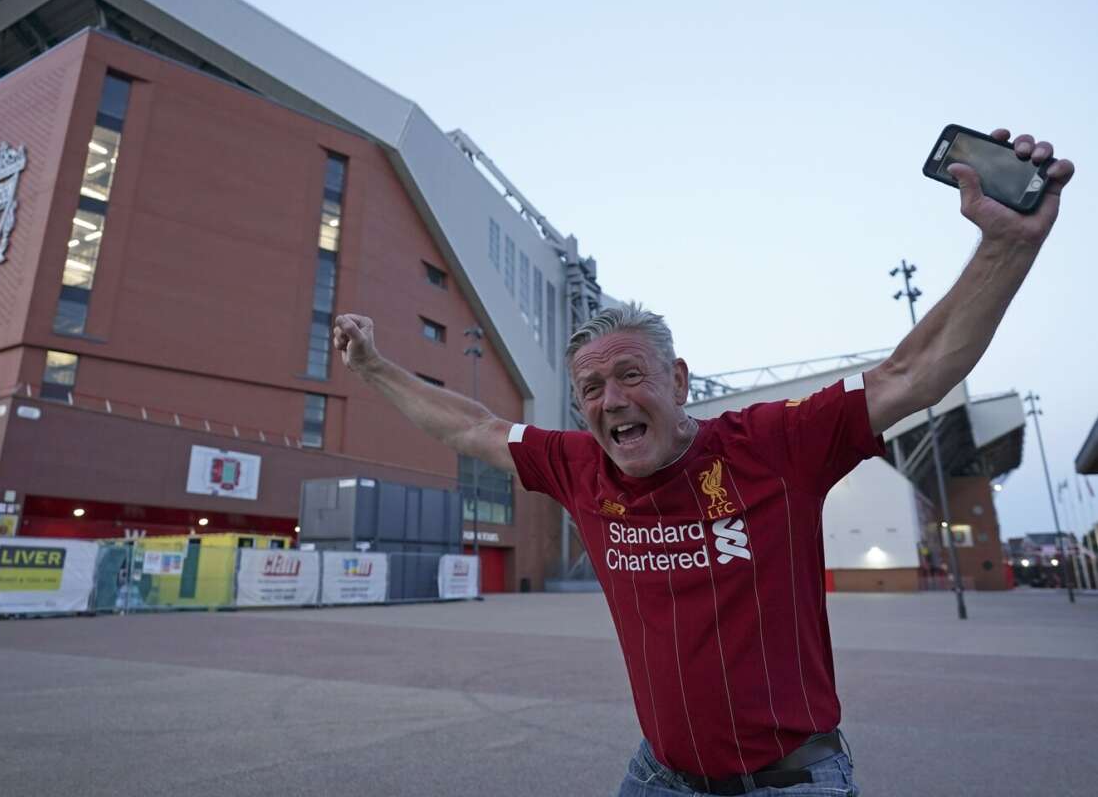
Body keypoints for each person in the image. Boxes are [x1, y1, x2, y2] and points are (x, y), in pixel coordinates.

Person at [333, 129, 1073, 796]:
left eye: (631, 375)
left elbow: (911, 375)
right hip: (660, 774)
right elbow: (475, 427)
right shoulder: (579, 467)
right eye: (591, 388)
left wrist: (1006, 247)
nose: (612, 400)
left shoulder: (772, 445)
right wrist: (372, 368)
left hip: (788, 781)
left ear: (679, 381)